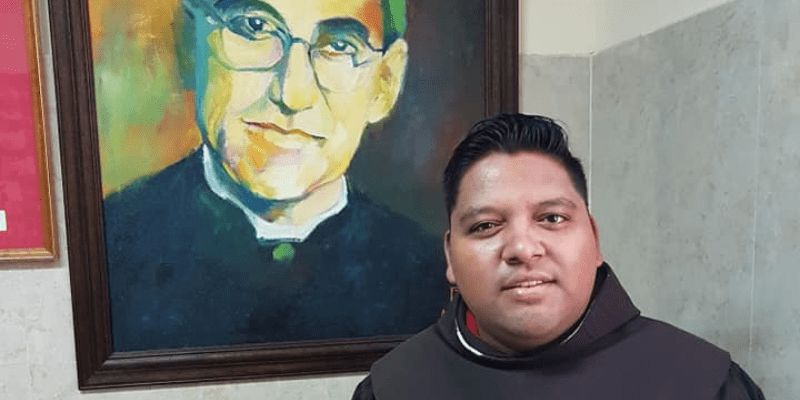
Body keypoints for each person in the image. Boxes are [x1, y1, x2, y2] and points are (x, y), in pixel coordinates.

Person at [103, 0, 447, 351]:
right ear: (190, 44)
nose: (292, 94)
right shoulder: (108, 245)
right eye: (255, 27)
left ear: (385, 83)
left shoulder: (429, 275)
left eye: (339, 46)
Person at [352, 113, 765, 399]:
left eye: (551, 218)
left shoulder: (704, 383)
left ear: (594, 239)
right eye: (486, 226)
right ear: (449, 257)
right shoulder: (391, 389)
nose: (522, 248)